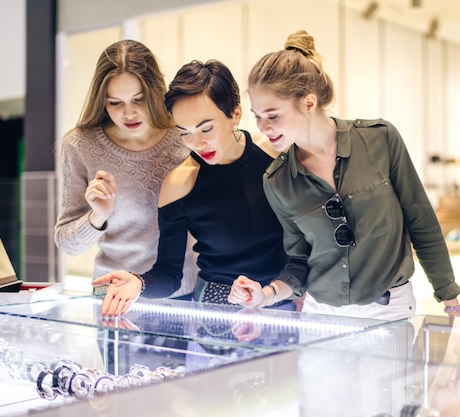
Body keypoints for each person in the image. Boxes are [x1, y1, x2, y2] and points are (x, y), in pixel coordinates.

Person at [229, 30, 460, 321]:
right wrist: (266, 294)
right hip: (321, 317)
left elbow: (421, 220)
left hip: (389, 310)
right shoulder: (277, 181)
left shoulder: (380, 139)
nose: (263, 127)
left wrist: (451, 301)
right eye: (258, 116)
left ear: (308, 103)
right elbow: (299, 261)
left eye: (273, 115)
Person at [92, 59, 307, 317]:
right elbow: (169, 273)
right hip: (216, 306)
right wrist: (139, 283)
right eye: (185, 132)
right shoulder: (179, 183)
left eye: (206, 128)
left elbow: (306, 241)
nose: (197, 143)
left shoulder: (275, 154)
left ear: (235, 114)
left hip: (279, 296)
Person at [54, 39, 197, 299]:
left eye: (138, 99)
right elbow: (67, 243)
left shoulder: (185, 135)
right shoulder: (81, 145)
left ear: (156, 91)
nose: (128, 113)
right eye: (115, 103)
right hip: (114, 294)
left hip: (182, 292)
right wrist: (97, 217)